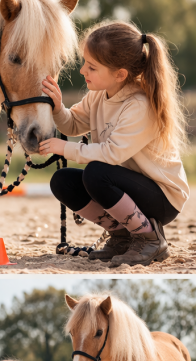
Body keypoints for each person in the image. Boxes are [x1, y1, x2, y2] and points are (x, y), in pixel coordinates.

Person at [40, 21, 189, 267]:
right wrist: (58, 109)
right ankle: (121, 237)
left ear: (120, 74)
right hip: (126, 186)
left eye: (92, 67)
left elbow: (111, 153)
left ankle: (149, 239)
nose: (82, 71)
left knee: (96, 173)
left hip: (162, 197)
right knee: (62, 181)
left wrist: (64, 148)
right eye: (85, 62)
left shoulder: (139, 105)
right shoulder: (98, 94)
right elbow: (74, 124)